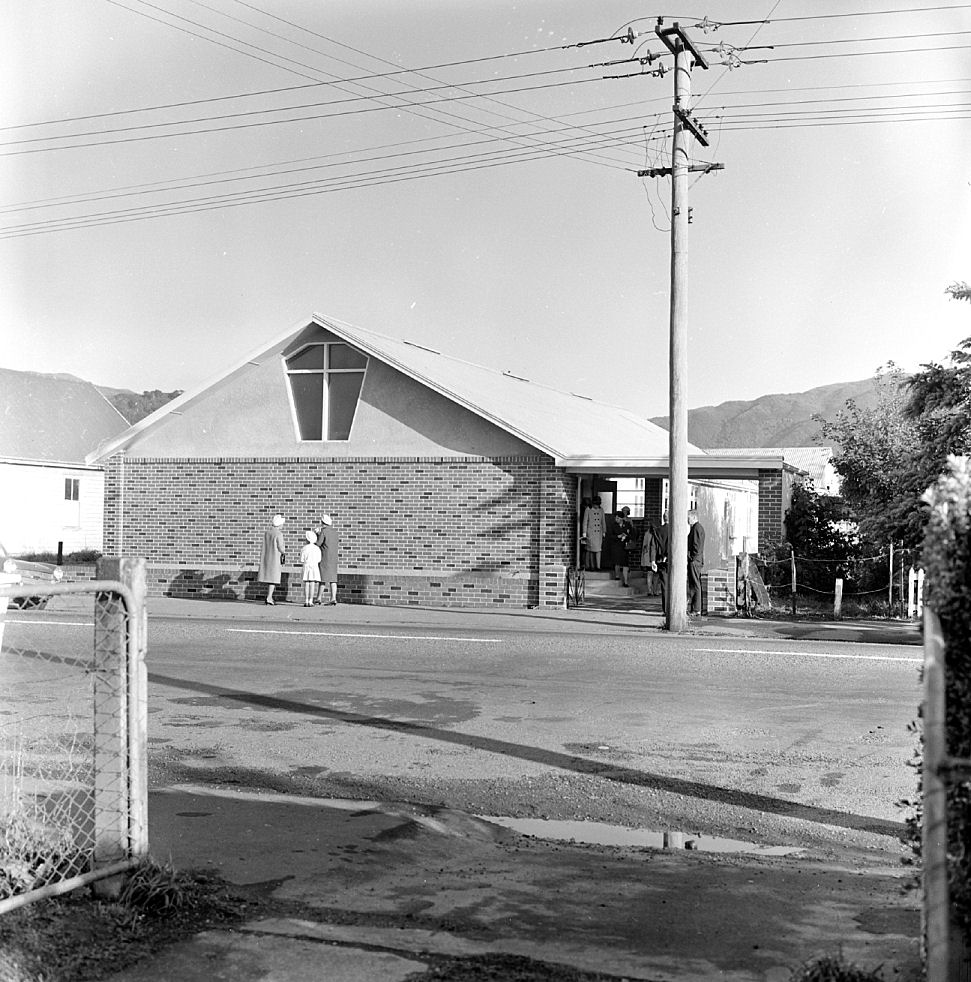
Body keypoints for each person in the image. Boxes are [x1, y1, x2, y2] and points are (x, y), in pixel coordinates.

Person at [258, 514, 286, 604]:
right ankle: (269, 597)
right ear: (280, 524)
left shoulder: (267, 533)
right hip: (275, 558)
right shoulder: (279, 534)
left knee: (269, 578)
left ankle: (269, 597)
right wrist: (284, 551)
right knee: (273, 579)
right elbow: (281, 547)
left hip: (267, 557)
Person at [646, 513, 670, 613]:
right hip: (672, 560)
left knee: (664, 585)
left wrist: (653, 561)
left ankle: (665, 609)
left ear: (664, 519)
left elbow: (653, 546)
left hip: (660, 560)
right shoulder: (675, 530)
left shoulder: (658, 531)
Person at [605, 506, 633, 586]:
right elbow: (610, 536)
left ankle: (626, 581)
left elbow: (632, 534)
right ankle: (617, 576)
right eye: (615, 518)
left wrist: (626, 536)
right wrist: (618, 536)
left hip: (625, 546)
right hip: (616, 546)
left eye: (617, 518)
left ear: (621, 518)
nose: (616, 519)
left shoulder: (627, 524)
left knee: (625, 564)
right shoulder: (613, 525)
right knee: (617, 562)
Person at [315, 514, 339, 605]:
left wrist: (317, 534)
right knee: (333, 579)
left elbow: (318, 543)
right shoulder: (335, 532)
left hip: (325, 557)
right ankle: (333, 598)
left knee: (323, 579)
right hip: (334, 558)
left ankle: (318, 598)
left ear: (323, 523)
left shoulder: (323, 532)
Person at [687, 509, 706, 615]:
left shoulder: (696, 528)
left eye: (688, 517)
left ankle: (696, 609)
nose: (687, 520)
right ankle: (695, 608)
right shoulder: (696, 528)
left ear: (694, 517)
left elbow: (696, 545)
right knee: (694, 584)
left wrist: (692, 557)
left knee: (695, 584)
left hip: (695, 560)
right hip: (696, 559)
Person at [581, 495, 607, 571]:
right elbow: (585, 522)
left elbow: (603, 521)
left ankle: (598, 566)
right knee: (590, 550)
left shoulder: (601, 510)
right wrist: (584, 532)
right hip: (590, 532)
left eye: (598, 504)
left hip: (598, 532)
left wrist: (604, 531)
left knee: (598, 550)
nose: (596, 506)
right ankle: (591, 566)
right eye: (595, 504)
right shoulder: (588, 509)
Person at [300, 530, 322, 607]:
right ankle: (311, 601)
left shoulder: (304, 548)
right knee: (312, 584)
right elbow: (319, 559)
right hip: (314, 566)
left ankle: (306, 600)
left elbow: (302, 559)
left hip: (306, 566)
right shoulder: (317, 548)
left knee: (306, 583)